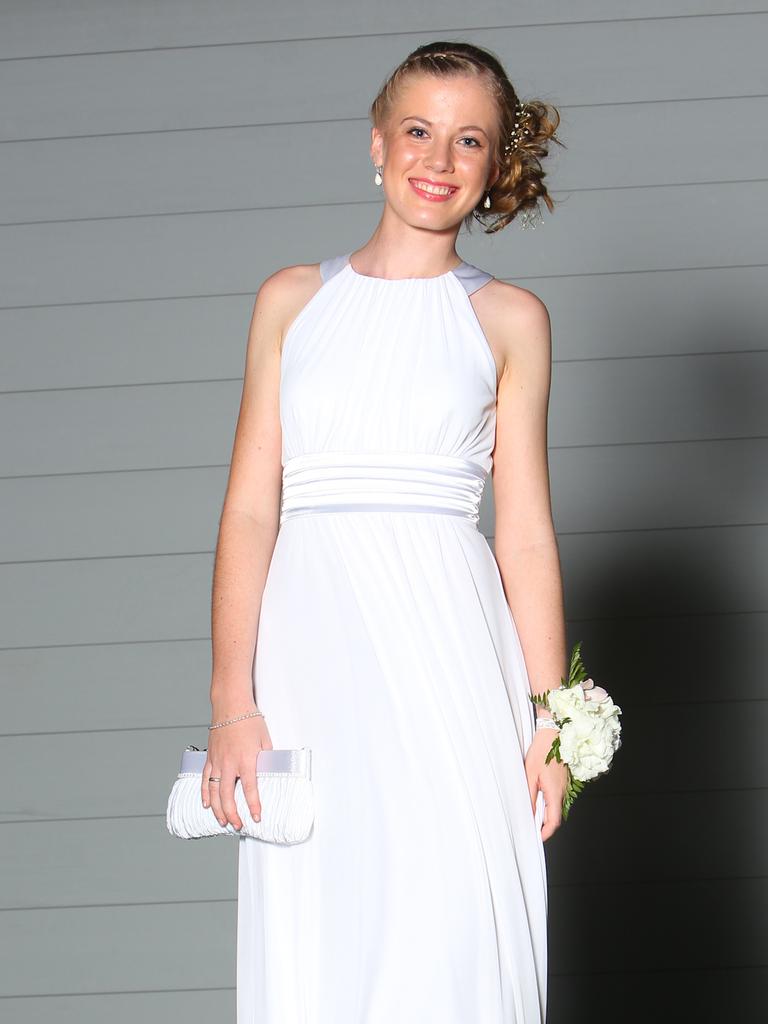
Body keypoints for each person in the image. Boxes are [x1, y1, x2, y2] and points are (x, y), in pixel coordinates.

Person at [204, 39, 567, 1023]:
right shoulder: (291, 301)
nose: (437, 157)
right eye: (418, 129)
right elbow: (248, 509)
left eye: (467, 140)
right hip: (312, 652)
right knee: (330, 914)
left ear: (494, 168)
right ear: (376, 142)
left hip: (448, 646)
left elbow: (524, 532)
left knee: (449, 919)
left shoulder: (510, 319)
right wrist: (233, 703)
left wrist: (552, 718)